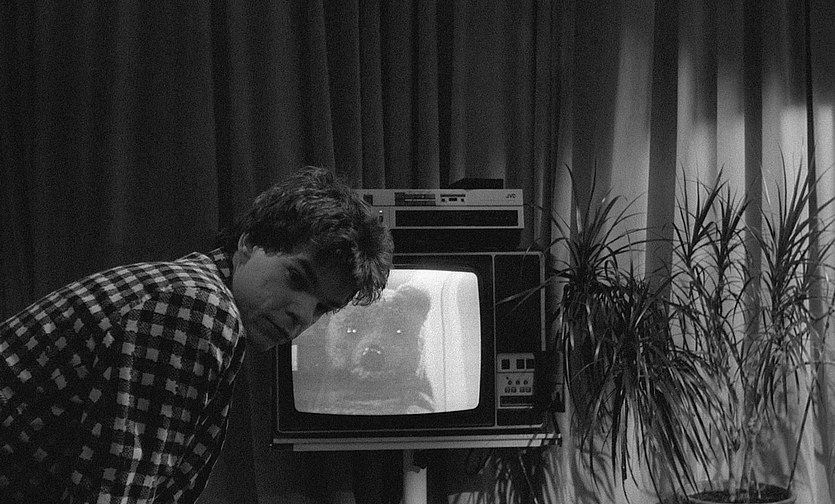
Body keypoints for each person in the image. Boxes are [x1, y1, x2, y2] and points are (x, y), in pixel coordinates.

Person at [0, 166, 393, 503]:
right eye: (296, 278)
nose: (302, 315)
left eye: (322, 307)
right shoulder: (198, 308)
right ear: (248, 242)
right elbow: (115, 493)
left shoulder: (196, 290)